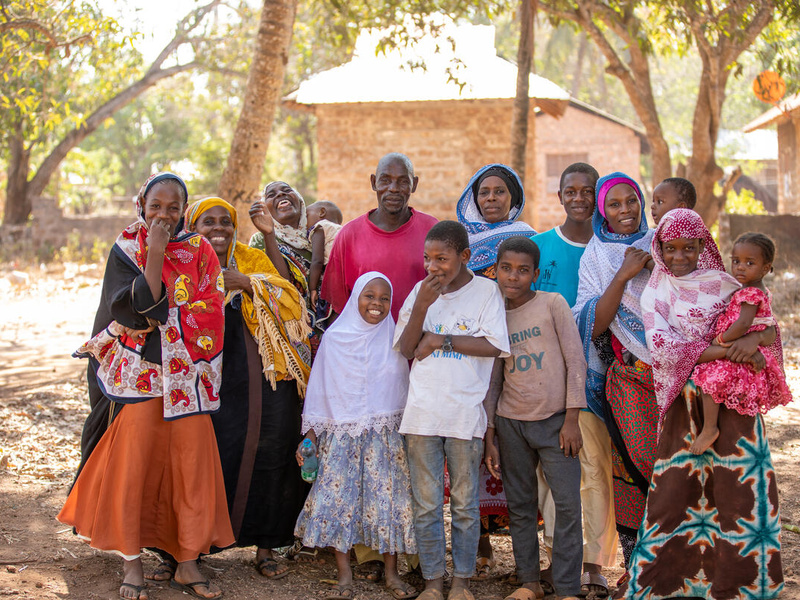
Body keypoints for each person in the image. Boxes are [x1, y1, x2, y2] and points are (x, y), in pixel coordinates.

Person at [58, 173, 233, 600]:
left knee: (191, 468)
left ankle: (187, 561)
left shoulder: (201, 250)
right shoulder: (126, 248)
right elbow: (140, 311)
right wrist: (155, 252)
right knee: (133, 467)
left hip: (189, 377)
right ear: (142, 203)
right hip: (141, 378)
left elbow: (210, 307)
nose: (164, 215)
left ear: (183, 211)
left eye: (173, 209)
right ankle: (132, 561)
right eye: (156, 206)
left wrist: (174, 318)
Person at [619, 208, 784, 599]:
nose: (679, 256)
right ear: (658, 248)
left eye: (689, 248)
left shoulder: (728, 283)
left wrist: (752, 343)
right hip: (684, 403)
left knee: (741, 491)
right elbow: (665, 349)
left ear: (702, 246)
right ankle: (673, 580)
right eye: (670, 248)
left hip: (735, 402)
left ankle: (745, 583)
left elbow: (768, 327)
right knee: (677, 492)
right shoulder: (655, 292)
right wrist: (730, 350)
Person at [185, 198, 313, 580]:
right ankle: (192, 547)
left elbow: (291, 294)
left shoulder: (250, 259)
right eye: (208, 222)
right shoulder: (184, 263)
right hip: (202, 379)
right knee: (205, 457)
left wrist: (246, 282)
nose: (219, 228)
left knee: (270, 451)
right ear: (193, 226)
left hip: (262, 380)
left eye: (226, 221)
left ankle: (266, 545)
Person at [395, 220, 510, 600]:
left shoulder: (486, 292)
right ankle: (432, 582)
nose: (433, 267)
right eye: (427, 258)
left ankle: (461, 582)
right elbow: (410, 348)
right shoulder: (420, 293)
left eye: (441, 258)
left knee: (464, 505)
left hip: (464, 415)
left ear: (464, 256)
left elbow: (494, 346)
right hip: (422, 413)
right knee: (426, 505)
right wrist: (423, 307)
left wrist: (442, 338)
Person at [295, 272, 418, 600]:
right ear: (355, 300)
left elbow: (402, 392)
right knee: (340, 504)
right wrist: (310, 439)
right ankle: (344, 574)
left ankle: (393, 574)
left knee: (388, 504)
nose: (377, 304)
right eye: (369, 296)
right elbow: (319, 391)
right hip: (342, 436)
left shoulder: (394, 340)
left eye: (384, 298)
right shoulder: (336, 339)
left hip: (385, 439)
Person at [484, 237, 586, 600]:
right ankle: (529, 581)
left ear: (535, 274)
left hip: (556, 422)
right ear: (495, 271)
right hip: (511, 422)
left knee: (568, 505)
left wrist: (572, 418)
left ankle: (568, 587)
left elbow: (576, 361)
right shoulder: (493, 314)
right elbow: (495, 377)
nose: (514, 276)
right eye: (506, 269)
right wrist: (490, 432)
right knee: (520, 505)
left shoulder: (552, 304)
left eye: (523, 270)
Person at [533, 163, 616, 597]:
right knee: (552, 474)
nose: (579, 197)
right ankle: (557, 559)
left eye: (588, 190)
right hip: (545, 379)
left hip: (598, 380)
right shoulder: (539, 246)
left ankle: (594, 563)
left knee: (595, 470)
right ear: (560, 194)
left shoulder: (611, 248)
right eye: (571, 190)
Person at [572, 172, 657, 571]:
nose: (625, 210)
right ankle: (637, 569)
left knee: (674, 472)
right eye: (614, 205)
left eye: (632, 201)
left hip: (673, 380)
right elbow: (593, 323)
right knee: (628, 473)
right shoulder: (596, 256)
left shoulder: (663, 244)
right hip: (623, 382)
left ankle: (676, 567)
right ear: (602, 212)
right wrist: (623, 275)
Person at [454, 163, 535, 578]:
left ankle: (523, 552)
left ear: (513, 198)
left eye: (499, 192)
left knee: (512, 439)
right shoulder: (461, 241)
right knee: (472, 436)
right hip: (472, 350)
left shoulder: (527, 238)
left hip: (520, 347)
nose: (491, 198)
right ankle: (480, 543)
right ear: (473, 196)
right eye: (484, 191)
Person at [691, 232, 792, 454]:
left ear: (766, 268)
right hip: (746, 346)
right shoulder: (751, 289)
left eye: (749, 263)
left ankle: (709, 428)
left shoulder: (751, 293)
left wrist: (721, 340)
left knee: (709, 379)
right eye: (736, 261)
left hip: (737, 346)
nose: (740, 267)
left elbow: (744, 324)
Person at [322, 152, 438, 322]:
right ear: (373, 182)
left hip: (419, 342)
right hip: (365, 345)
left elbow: (447, 292)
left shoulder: (432, 230)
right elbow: (338, 309)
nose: (393, 188)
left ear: (414, 185)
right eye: (385, 180)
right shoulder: (349, 235)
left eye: (403, 181)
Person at [306, 200, 344, 311]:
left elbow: (317, 260)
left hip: (334, 274)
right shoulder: (341, 230)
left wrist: (312, 289)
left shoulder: (320, 227)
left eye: (306, 216)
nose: (304, 223)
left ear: (322, 212)